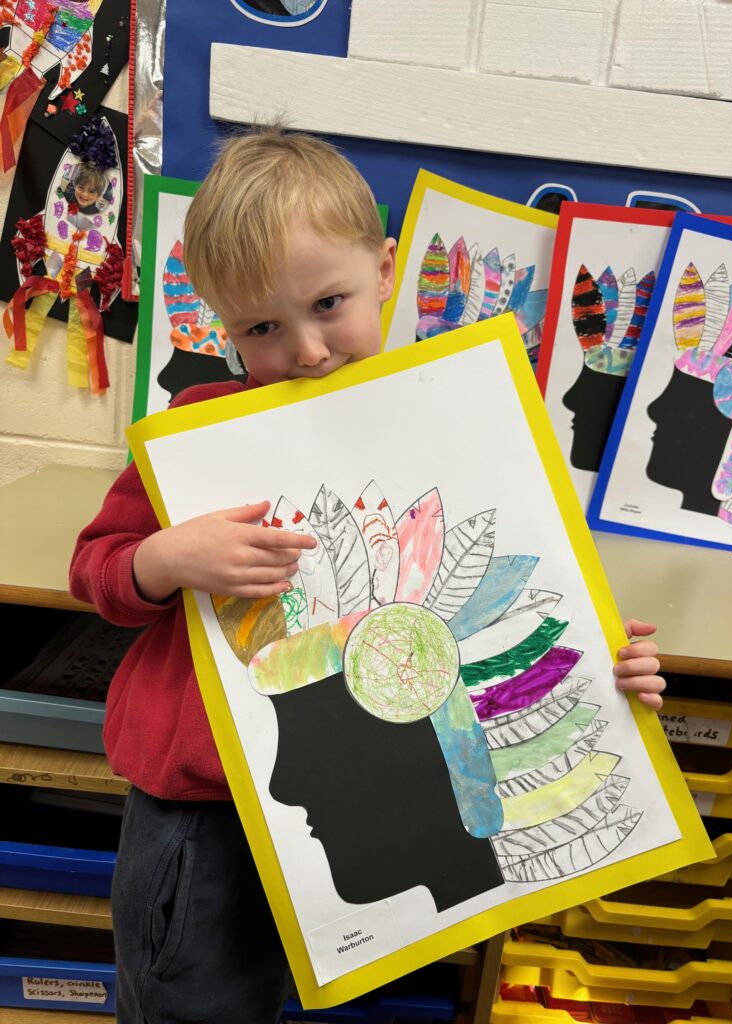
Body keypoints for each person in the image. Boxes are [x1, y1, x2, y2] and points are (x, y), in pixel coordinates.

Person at [69, 126, 666, 1024]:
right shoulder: (201, 428)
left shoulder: (459, 424)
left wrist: (609, 671)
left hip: (362, 804)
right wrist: (163, 560)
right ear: (222, 327)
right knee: (191, 1001)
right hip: (203, 817)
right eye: (262, 329)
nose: (306, 349)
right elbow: (95, 569)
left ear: (386, 269)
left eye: (329, 303)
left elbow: (532, 597)